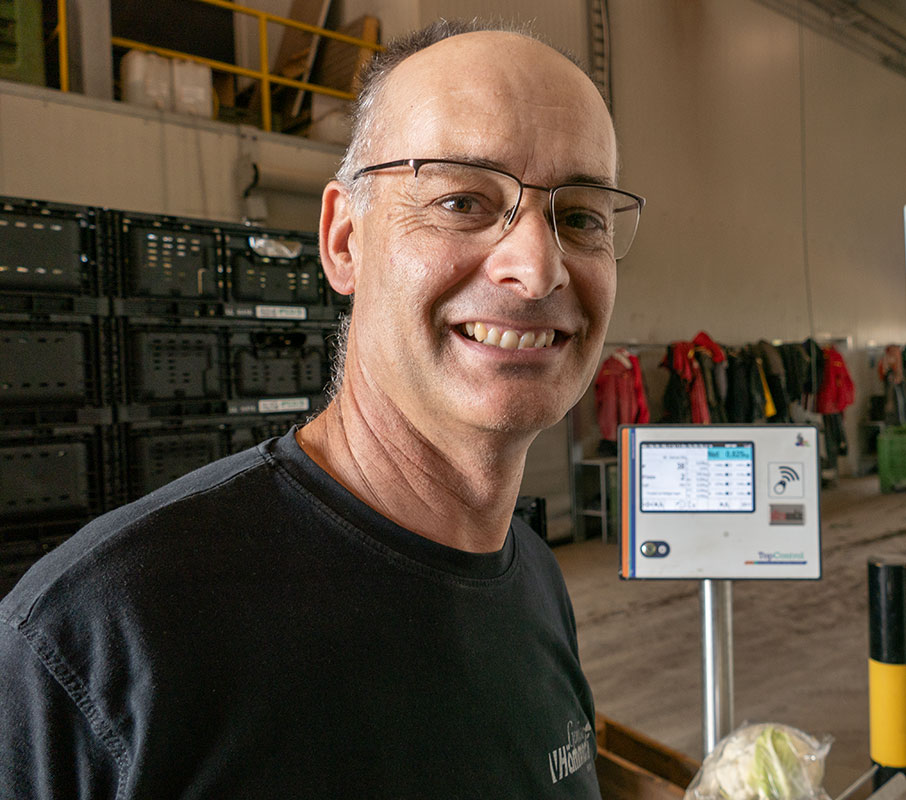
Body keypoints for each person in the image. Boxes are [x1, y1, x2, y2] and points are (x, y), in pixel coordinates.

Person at [0, 18, 644, 798]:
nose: (537, 268)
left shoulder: (533, 578)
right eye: (462, 200)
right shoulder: (101, 639)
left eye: (579, 217)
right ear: (343, 241)